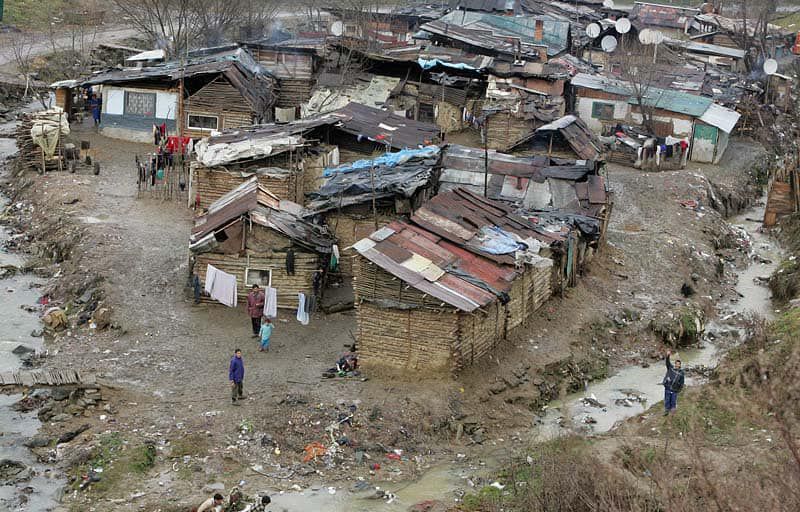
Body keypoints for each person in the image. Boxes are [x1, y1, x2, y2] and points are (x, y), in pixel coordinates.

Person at [662, 349, 685, 416]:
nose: (677, 365)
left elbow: (682, 383)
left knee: (673, 401)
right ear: (675, 364)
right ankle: (666, 411)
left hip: (675, 390)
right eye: (676, 364)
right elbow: (667, 362)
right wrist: (668, 355)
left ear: (680, 365)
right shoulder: (671, 368)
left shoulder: (681, 373)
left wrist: (679, 390)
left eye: (678, 364)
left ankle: (672, 413)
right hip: (668, 388)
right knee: (667, 400)